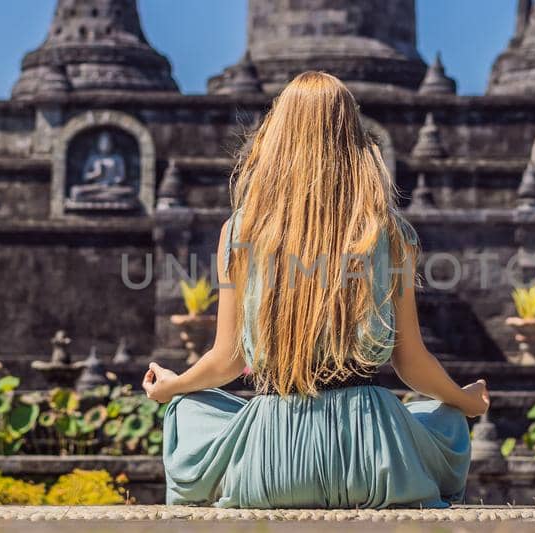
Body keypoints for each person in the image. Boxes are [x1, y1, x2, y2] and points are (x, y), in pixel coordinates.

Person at [142, 71, 489, 509]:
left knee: (186, 412)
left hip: (270, 466)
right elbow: (412, 363)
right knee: (446, 422)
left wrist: (172, 387)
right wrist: (466, 401)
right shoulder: (390, 232)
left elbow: (228, 360)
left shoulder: (241, 232)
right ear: (356, 140)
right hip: (374, 461)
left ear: (277, 138)